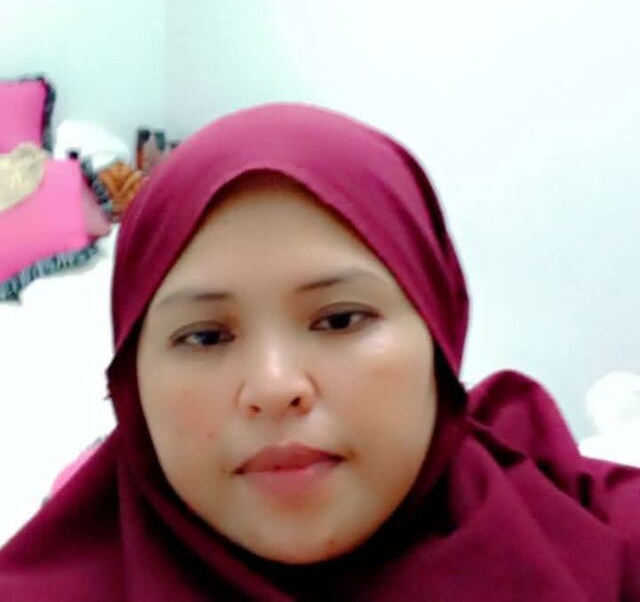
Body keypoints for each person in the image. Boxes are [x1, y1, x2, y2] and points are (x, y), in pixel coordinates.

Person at [1, 103, 638, 600]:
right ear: (132, 381)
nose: (275, 386)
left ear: (439, 333)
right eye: (205, 336)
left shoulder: (588, 534)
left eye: (339, 320)